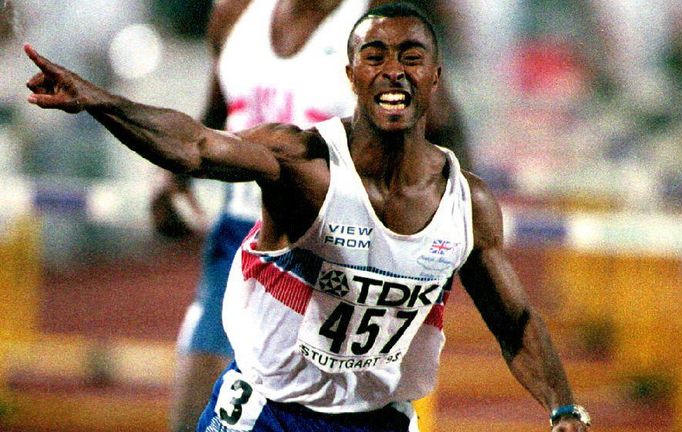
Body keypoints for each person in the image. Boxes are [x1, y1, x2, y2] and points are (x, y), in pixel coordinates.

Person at [23, 3, 591, 431]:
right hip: (269, 407)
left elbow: (514, 323)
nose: (393, 71)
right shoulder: (303, 165)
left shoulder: (467, 204)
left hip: (376, 417)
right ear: (351, 77)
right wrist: (99, 100)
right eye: (375, 58)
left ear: (435, 81)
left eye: (411, 59)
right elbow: (198, 143)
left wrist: (563, 407)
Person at [148, 1, 470, 430]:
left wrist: (445, 226)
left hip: (335, 247)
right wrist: (172, 180)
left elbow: (442, 120)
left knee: (324, 410)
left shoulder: (374, 23)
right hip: (242, 235)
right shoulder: (233, 12)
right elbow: (215, 117)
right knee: (193, 414)